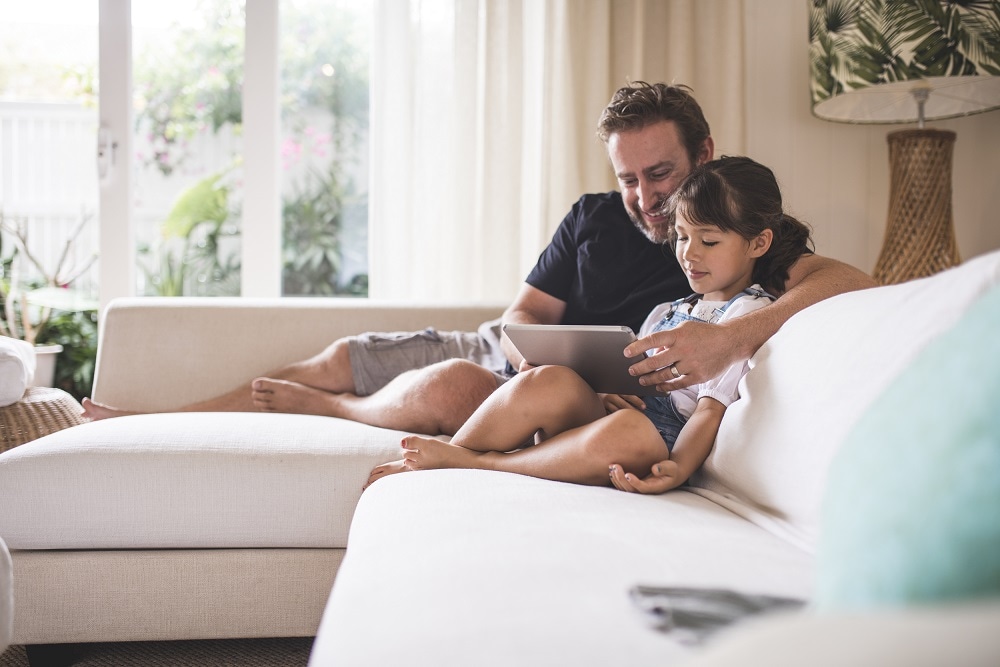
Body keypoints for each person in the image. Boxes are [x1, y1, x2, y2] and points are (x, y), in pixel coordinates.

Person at [82, 82, 874, 435]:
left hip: (576, 396)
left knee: (450, 387)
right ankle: (142, 422)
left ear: (704, 152)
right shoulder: (592, 219)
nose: (644, 196)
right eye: (627, 177)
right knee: (337, 355)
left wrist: (733, 337)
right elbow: (527, 312)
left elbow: (851, 281)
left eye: (660, 174)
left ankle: (340, 414)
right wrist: (526, 334)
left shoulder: (733, 234)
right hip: (509, 358)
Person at [368, 156, 809, 493]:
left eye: (708, 241)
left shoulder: (746, 315)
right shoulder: (670, 310)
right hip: (621, 415)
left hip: (656, 439)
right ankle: (455, 452)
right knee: (551, 379)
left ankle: (481, 463)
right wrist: (598, 387)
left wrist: (679, 467)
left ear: (759, 243)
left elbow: (710, 410)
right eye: (682, 236)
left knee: (629, 431)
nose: (689, 254)